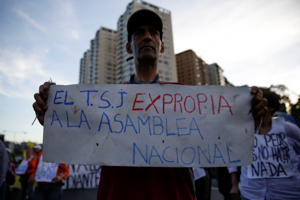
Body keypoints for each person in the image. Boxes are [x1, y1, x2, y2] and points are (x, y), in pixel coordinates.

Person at [32, 9, 268, 200]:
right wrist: (54, 120)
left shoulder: (187, 98)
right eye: (138, 33)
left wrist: (248, 120)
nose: (147, 36)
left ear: (162, 45)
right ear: (128, 47)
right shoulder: (103, 102)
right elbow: (78, 138)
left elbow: (223, 138)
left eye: (154, 32)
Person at [229, 90, 300, 200]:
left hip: (287, 193)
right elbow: (233, 158)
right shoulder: (243, 131)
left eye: (257, 102)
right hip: (250, 193)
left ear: (271, 107)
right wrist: (234, 185)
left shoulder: (289, 129)